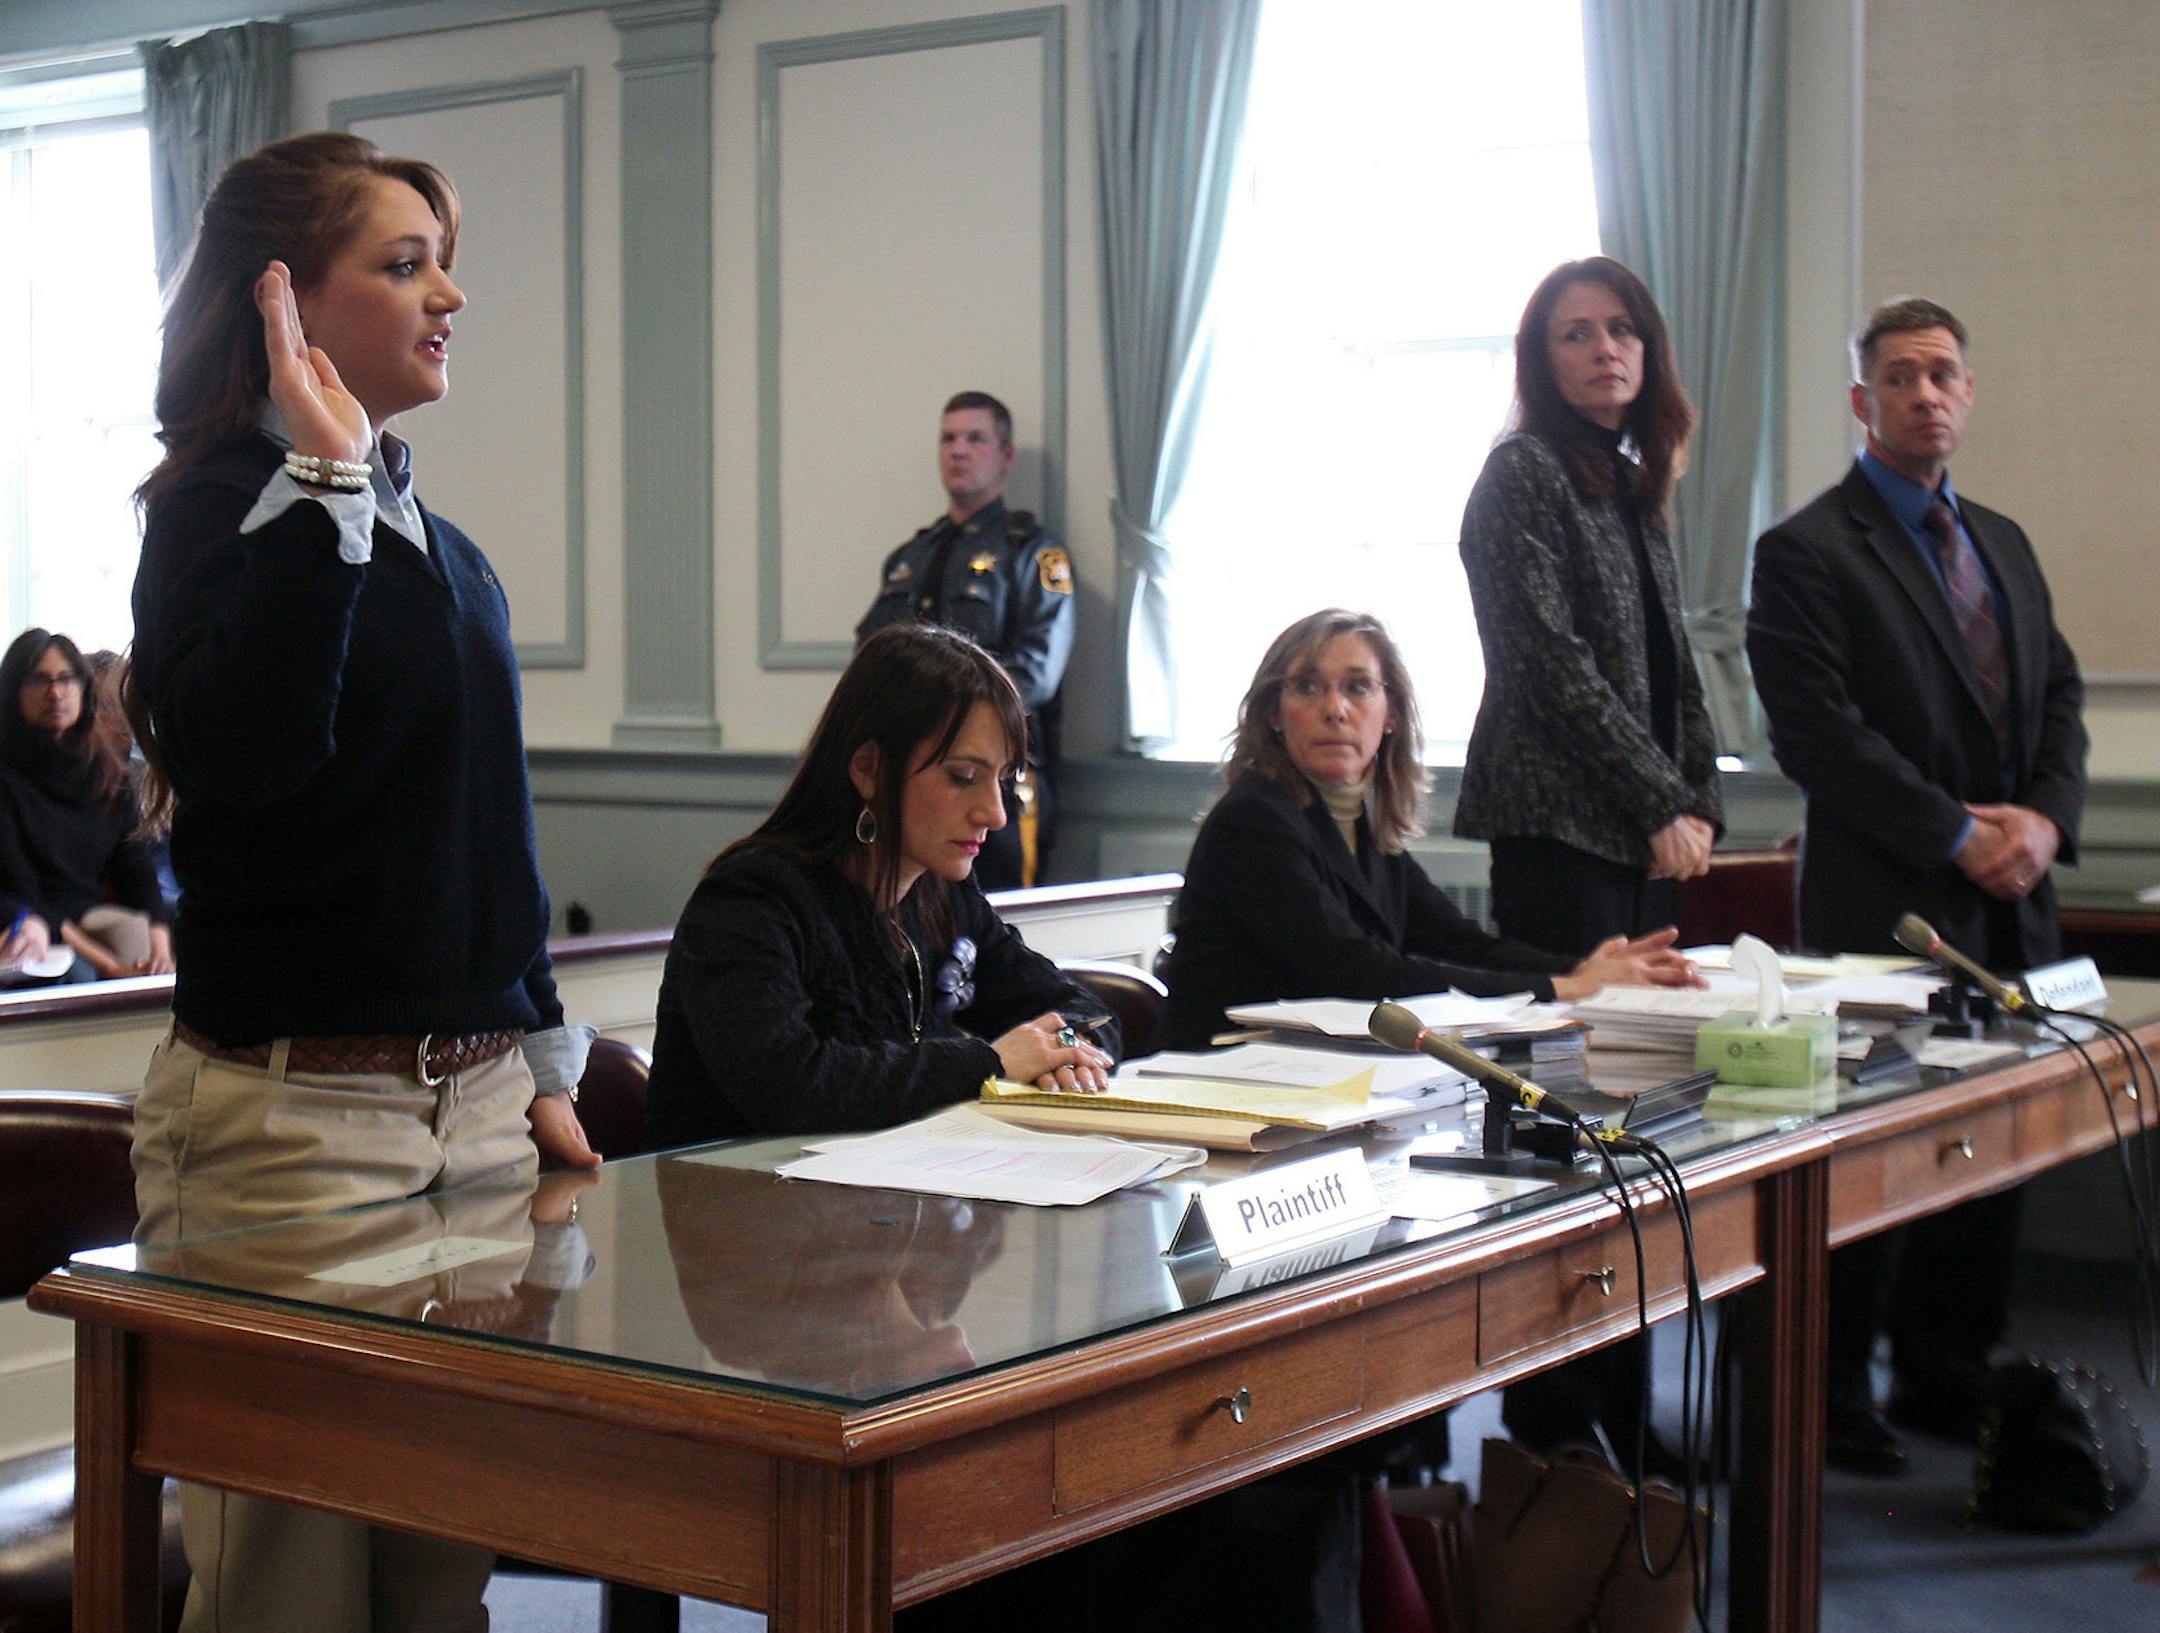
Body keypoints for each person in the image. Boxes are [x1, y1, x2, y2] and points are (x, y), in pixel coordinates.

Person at [123, 130, 599, 1633]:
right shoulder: (213, 515)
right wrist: (320, 483)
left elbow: (489, 835)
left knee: (438, 1594)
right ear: (286, 301)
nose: (449, 293)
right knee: (295, 1607)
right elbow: (254, 757)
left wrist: (533, 1055)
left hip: (473, 1133)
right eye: (406, 264)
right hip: (296, 1138)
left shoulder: (445, 549)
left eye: (441, 259)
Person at [1746, 297, 2088, 1476]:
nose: (1925, 393)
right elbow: (1819, 735)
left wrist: (2043, 822)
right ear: (1862, 401)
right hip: (1885, 911)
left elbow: (2060, 698)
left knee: (1995, 1155)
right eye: (1899, 377)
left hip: (2013, 906)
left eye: (1943, 373)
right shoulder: (1806, 550)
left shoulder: (2004, 539)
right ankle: (1833, 1395)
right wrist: (1956, 835)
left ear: (1969, 394)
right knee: (1873, 1160)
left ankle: (1946, 1370)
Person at [1454, 256, 1725, 1469]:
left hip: (1637, 830)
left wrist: (1698, 800)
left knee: (1644, 1122)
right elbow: (1550, 667)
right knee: (1573, 1135)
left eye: (1622, 330)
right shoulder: (1520, 476)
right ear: (1540, 358)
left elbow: (1672, 664)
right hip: (1561, 834)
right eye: (1575, 334)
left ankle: (1620, 1406)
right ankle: (1554, 1421)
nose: (1605, 350)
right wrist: (1659, 797)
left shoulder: (1629, 480)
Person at [646, 622, 1116, 1149]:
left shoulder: (945, 892)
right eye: (963, 776)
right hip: (739, 1208)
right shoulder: (751, 900)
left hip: (889, 1203)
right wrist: (991, 1062)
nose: (996, 814)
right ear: (869, 769)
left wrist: (1064, 1050)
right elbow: (791, 1088)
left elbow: (1084, 1012)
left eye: (1003, 780)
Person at [1159, 608, 1703, 1054]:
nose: (1335, 709)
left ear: (1390, 713)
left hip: (1314, 1073)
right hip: (1222, 1074)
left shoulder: (1361, 826)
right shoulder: (1253, 821)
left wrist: (1586, 968)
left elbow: (1461, 945)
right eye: (1307, 687)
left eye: (1358, 688)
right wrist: (1565, 987)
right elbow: (1360, 971)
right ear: (1274, 714)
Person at [855, 391, 1075, 891]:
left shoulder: (1034, 556)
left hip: (997, 785)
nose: (959, 450)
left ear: (1005, 455)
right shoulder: (910, 557)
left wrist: (946, 721)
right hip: (908, 785)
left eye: (975, 438)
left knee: (995, 932)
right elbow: (871, 660)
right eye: (948, 439)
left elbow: (1035, 675)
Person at [0, 628, 172, 982]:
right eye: (39, 680)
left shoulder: (106, 772)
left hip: (86, 915)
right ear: (13, 690)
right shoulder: (6, 777)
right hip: (25, 921)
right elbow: (20, 892)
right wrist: (109, 965)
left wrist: (160, 937)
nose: (56, 692)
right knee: (76, 974)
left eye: (67, 679)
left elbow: (135, 867)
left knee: (181, 936)